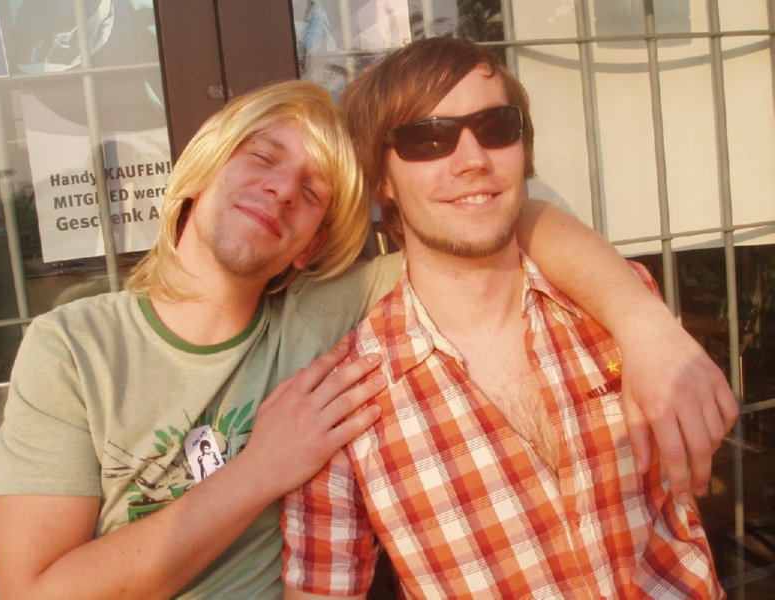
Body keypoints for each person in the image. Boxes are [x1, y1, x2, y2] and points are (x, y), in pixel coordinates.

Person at [0, 76, 732, 597]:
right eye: (262, 156)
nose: (282, 188)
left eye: (312, 191)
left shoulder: (321, 317)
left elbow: (497, 218)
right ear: (198, 172)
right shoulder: (74, 347)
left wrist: (646, 327)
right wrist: (261, 468)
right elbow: (33, 592)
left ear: (310, 246)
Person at [282, 38, 728, 598]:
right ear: (383, 180)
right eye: (428, 137)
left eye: (496, 126)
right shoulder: (346, 401)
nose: (473, 159)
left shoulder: (617, 306)